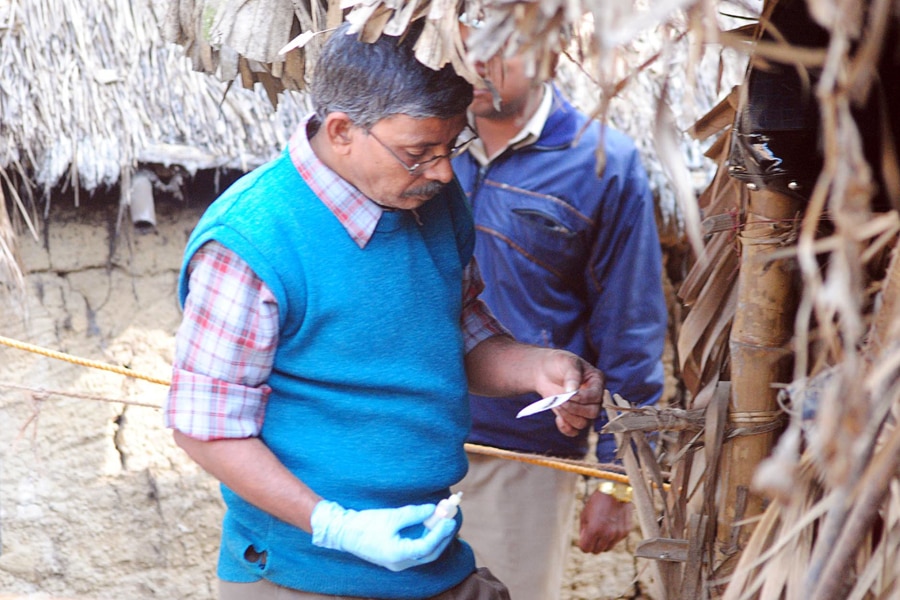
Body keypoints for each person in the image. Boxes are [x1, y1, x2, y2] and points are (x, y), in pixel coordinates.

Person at [164, 20, 606, 600]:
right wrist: (336, 525)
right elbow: (206, 427)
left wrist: (536, 368)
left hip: (435, 558)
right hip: (301, 574)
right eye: (420, 153)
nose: (445, 171)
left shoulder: (436, 201)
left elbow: (458, 335)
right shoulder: (252, 241)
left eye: (454, 146)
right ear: (343, 130)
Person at [450, 24, 668, 600]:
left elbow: (630, 325)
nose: (476, 63)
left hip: (522, 453)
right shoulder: (423, 146)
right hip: (405, 435)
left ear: (547, 46)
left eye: (496, 46)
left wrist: (618, 474)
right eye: (462, 44)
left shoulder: (602, 163)